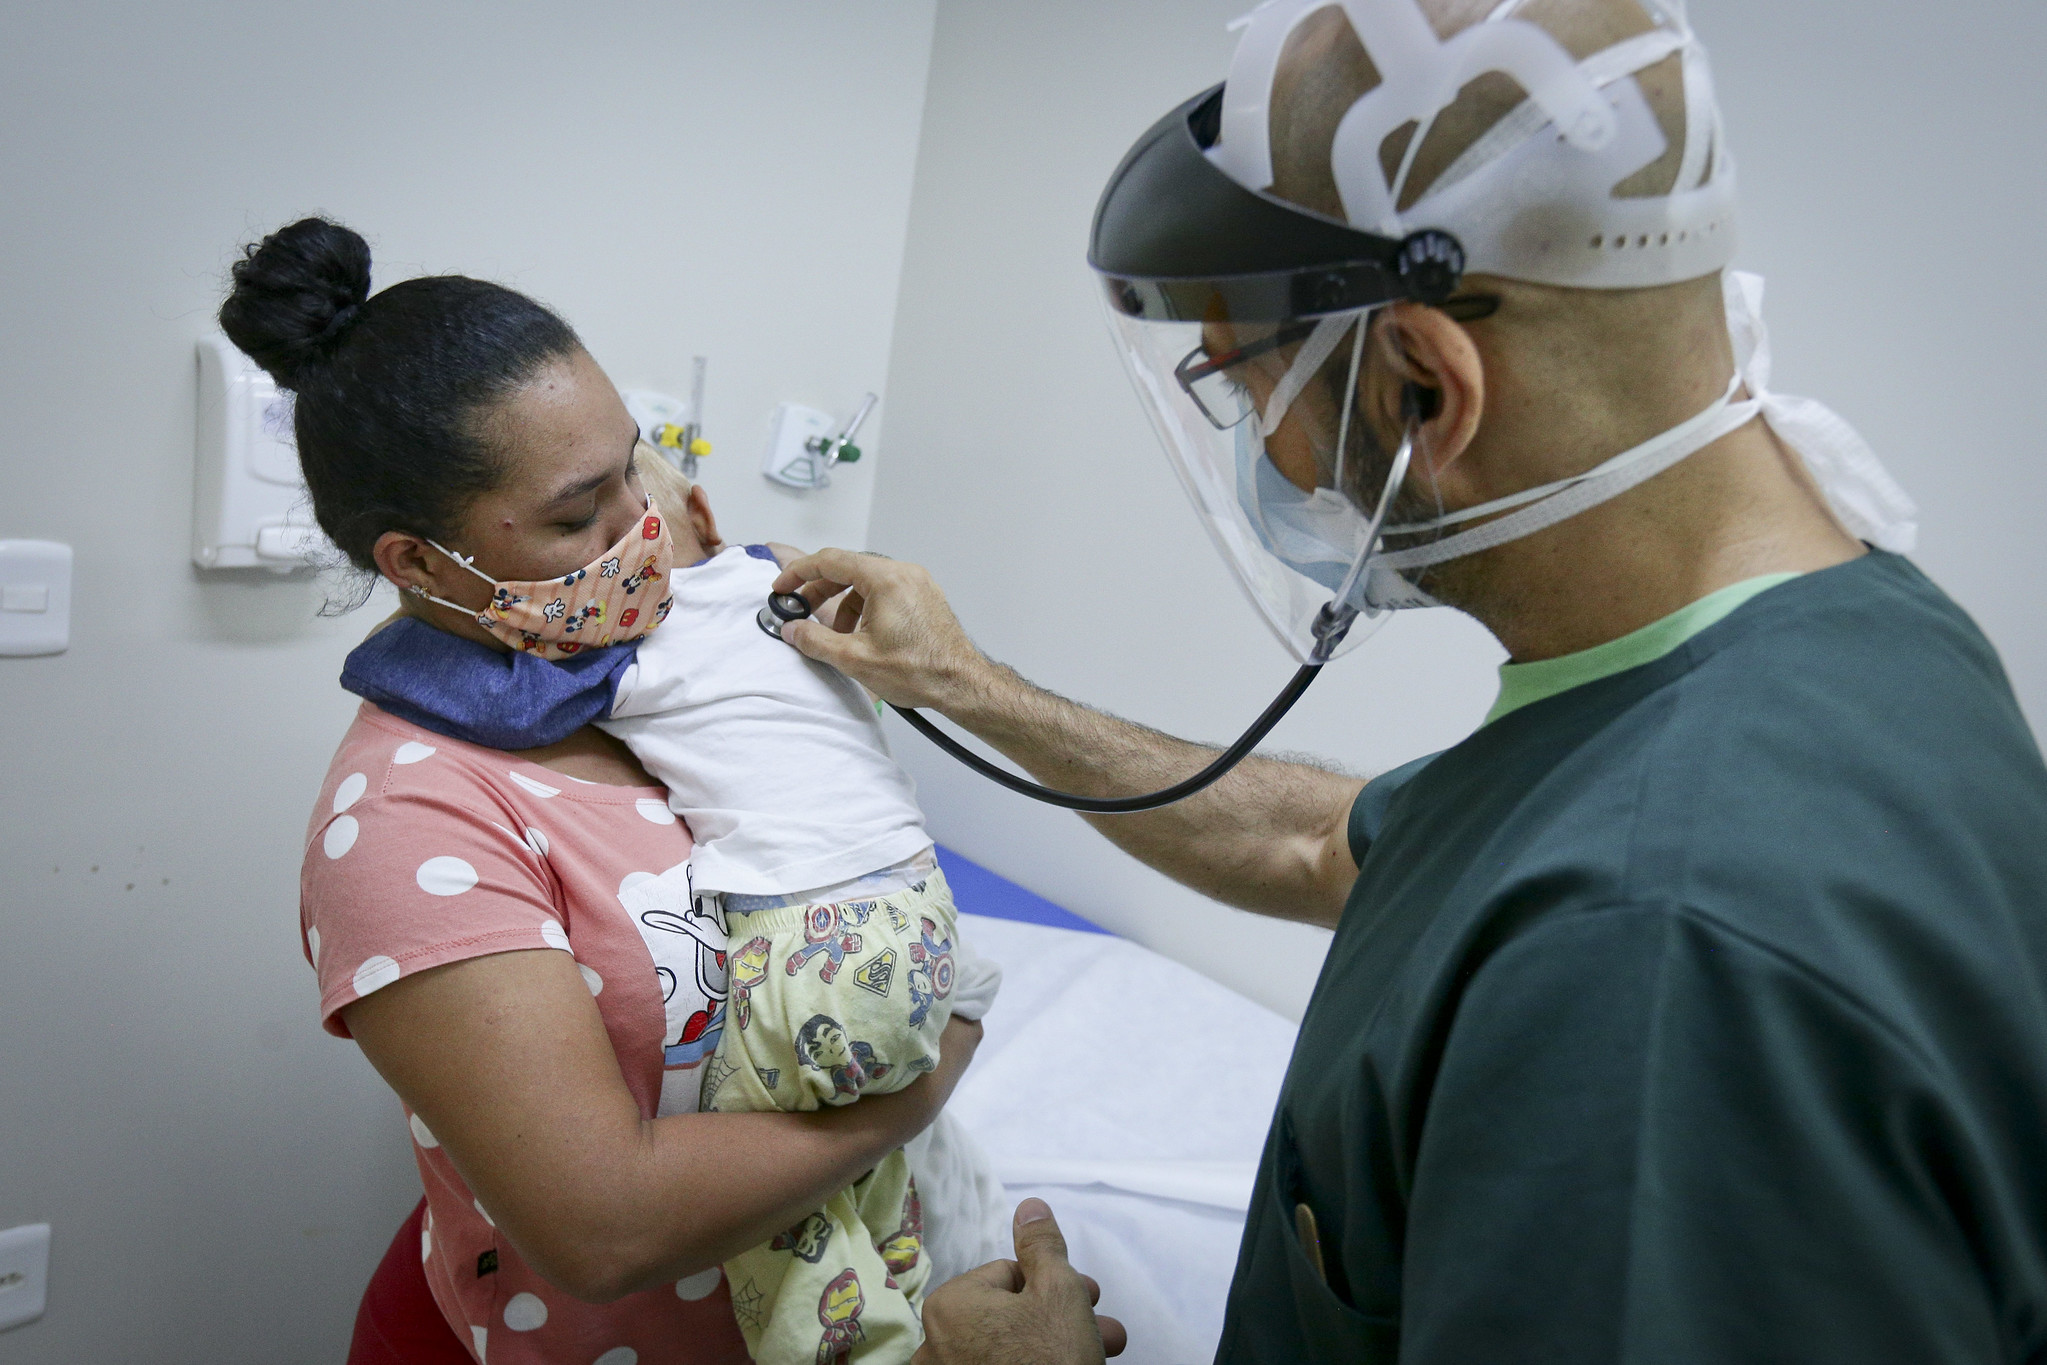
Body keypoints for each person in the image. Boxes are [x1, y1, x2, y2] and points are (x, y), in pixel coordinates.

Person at [780, 1, 2047, 1362]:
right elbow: (1321, 842)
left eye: (1239, 380)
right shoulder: (1842, 633)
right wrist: (967, 683)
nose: (1262, 445)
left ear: (1427, 391)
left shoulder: (1648, 961)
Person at [222, 217, 983, 1364]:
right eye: (579, 514)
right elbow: (602, 1229)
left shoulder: (658, 671)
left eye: (636, 464)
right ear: (419, 562)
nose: (640, 526)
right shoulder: (408, 818)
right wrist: (923, 1077)